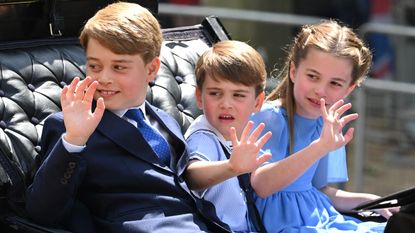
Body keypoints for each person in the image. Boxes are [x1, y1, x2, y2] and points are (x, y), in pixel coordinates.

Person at [25, 2, 231, 233]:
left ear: (152, 70)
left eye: (119, 67)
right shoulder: (69, 126)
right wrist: (74, 140)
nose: (103, 78)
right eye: (94, 66)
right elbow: (41, 211)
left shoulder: (165, 120)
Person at [249, 19, 397, 232]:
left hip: (321, 217)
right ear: (293, 71)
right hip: (282, 224)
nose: (320, 90)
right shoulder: (267, 117)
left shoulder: (327, 123)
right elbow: (262, 186)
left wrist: (372, 200)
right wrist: (320, 146)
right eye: (312, 76)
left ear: (348, 89)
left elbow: (320, 190)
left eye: (335, 83)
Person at [183, 40, 272, 232]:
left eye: (238, 95)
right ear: (199, 96)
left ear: (258, 102)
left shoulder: (244, 135)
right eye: (215, 93)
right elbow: (192, 174)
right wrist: (230, 167)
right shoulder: (204, 134)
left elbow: (263, 184)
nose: (226, 104)